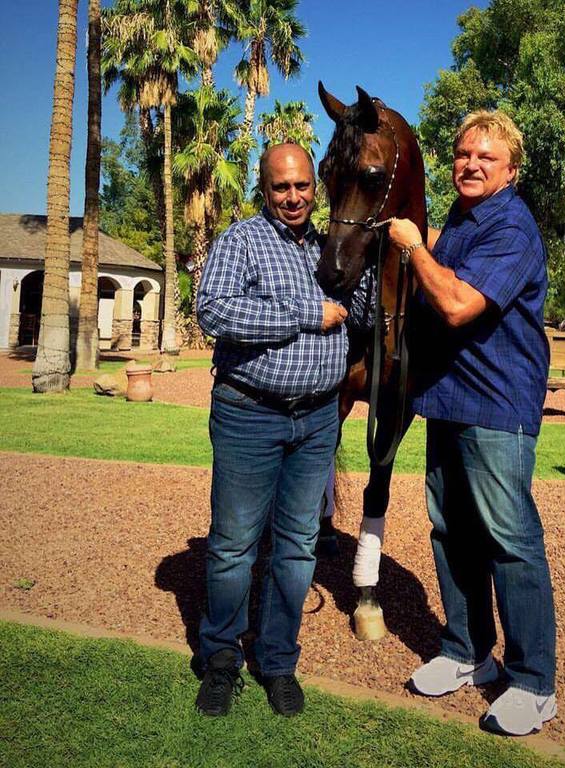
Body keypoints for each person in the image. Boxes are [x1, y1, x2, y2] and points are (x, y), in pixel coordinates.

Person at [388, 110, 557, 736]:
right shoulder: (459, 222)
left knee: (509, 539)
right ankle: (467, 652)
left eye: (486, 157)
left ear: (511, 170)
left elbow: (458, 304)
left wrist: (412, 247)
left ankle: (534, 682)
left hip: (497, 407)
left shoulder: (511, 225)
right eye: (463, 154)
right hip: (448, 401)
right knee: (451, 532)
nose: (471, 164)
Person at [194, 143, 373, 718]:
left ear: (314, 190)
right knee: (233, 545)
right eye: (281, 187)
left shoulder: (332, 248)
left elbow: (365, 312)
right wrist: (304, 313)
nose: (293, 197)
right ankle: (220, 659)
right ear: (264, 189)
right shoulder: (242, 242)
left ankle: (277, 662)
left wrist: (388, 256)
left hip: (319, 418)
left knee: (297, 547)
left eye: (301, 187)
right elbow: (214, 313)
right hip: (251, 412)